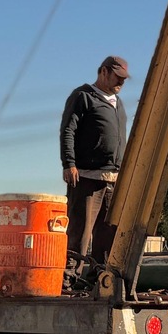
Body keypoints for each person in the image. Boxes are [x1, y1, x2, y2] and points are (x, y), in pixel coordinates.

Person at [59, 55, 129, 261]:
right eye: (117, 77)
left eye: (124, 79)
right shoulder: (83, 96)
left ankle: (99, 279)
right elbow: (68, 130)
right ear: (104, 72)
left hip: (113, 178)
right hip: (86, 177)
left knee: (107, 235)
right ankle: (71, 279)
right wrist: (69, 164)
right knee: (80, 234)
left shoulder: (118, 103)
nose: (121, 82)